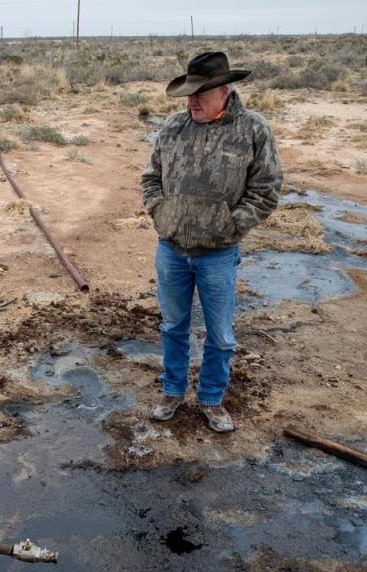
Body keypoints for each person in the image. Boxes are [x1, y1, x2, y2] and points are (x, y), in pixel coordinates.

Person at [140, 51, 282, 432]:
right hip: (172, 250)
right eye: (188, 93)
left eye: (200, 92)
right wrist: (160, 213)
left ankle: (212, 399)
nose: (191, 101)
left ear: (224, 90)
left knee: (220, 335)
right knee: (173, 326)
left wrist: (231, 227)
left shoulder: (253, 129)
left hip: (218, 254)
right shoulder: (172, 128)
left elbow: (266, 190)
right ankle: (172, 391)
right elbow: (150, 179)